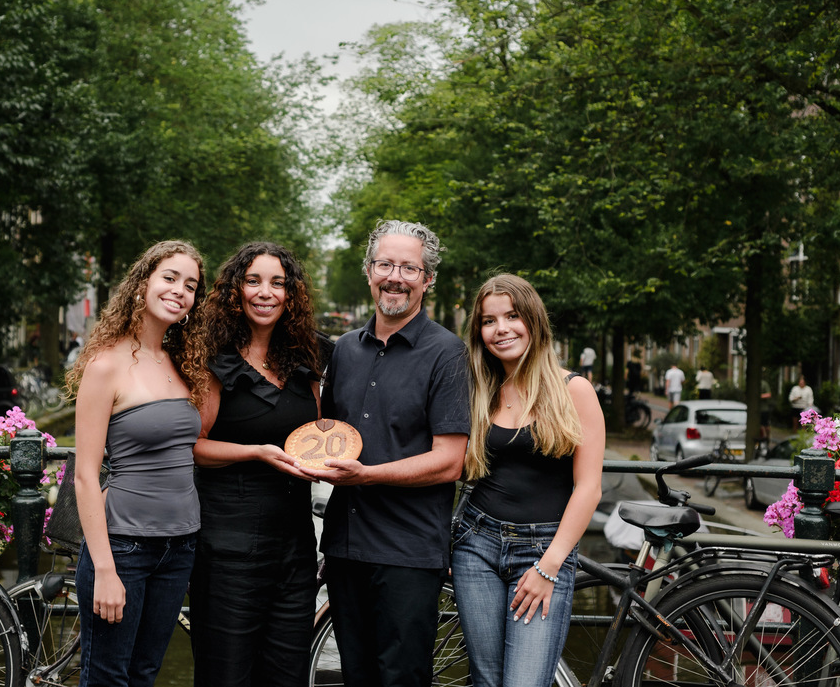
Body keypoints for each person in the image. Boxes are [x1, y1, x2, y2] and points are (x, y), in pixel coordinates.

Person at [298, 219, 470, 687]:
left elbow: (450, 460)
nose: (395, 275)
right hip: (345, 546)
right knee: (356, 676)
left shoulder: (448, 353)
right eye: (385, 263)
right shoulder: (346, 350)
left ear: (427, 279)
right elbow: (326, 433)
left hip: (408, 551)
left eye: (409, 267)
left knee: (401, 678)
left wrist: (365, 476)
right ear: (369, 271)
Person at [64, 240, 210, 687]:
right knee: (109, 678)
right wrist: (105, 570)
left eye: (190, 285)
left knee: (145, 675)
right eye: (169, 277)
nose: (179, 290)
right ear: (142, 283)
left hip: (180, 545)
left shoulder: (181, 363)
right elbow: (86, 476)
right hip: (124, 546)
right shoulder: (106, 365)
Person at [450, 274, 605, 687]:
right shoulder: (480, 388)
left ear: (533, 320)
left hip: (543, 551)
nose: (501, 329)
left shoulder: (574, 390)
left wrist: (549, 566)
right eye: (488, 321)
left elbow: (589, 488)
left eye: (512, 316)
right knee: (487, 679)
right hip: (476, 546)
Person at [190, 242, 323, 687]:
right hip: (229, 547)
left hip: (295, 549)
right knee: (227, 675)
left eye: (278, 283)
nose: (265, 292)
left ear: (291, 295)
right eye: (253, 281)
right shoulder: (214, 361)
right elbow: (195, 446)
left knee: (286, 676)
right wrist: (255, 451)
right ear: (235, 291)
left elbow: (320, 434)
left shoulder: (304, 362)